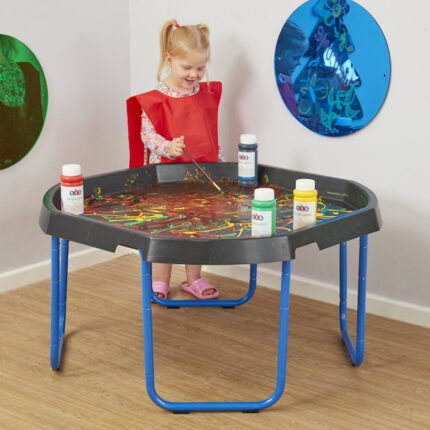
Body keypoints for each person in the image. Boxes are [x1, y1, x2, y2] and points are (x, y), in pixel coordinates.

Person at [126, 19, 223, 300]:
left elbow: (211, 133)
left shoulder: (204, 95)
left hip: (199, 178)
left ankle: (194, 279)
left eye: (200, 68)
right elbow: (147, 136)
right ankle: (161, 281)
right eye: (187, 67)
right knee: (165, 228)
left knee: (197, 226)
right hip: (165, 180)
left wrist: (221, 161)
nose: (194, 74)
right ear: (169, 60)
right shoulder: (155, 100)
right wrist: (168, 147)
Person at [275, 21, 309, 119]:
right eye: (295, 58)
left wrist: (308, 123)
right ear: (279, 53)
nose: (299, 63)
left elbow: (292, 117)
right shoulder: (273, 87)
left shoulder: (287, 81)